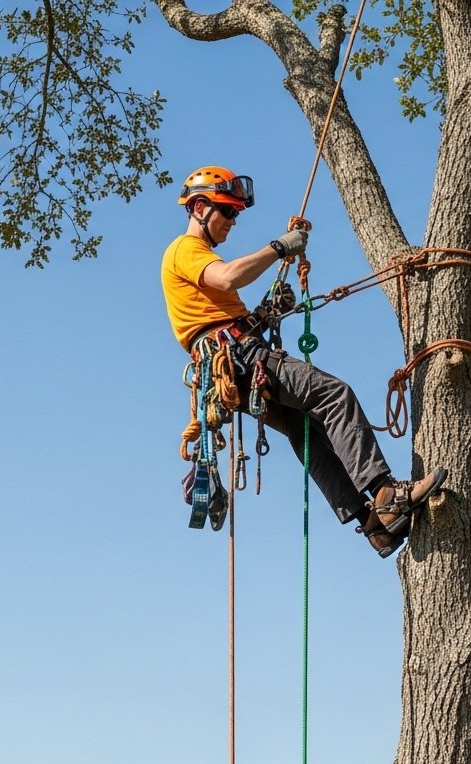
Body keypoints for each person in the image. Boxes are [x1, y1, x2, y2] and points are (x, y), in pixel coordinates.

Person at [160, 165, 446, 558]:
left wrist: (265, 313)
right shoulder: (187, 250)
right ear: (198, 208)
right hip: (240, 359)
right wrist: (278, 247)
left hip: (234, 365)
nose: (232, 221)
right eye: (227, 211)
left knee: (305, 429)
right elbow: (228, 278)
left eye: (236, 214)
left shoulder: (197, 261)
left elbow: (219, 317)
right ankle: (385, 493)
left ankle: (373, 524)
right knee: (333, 395)